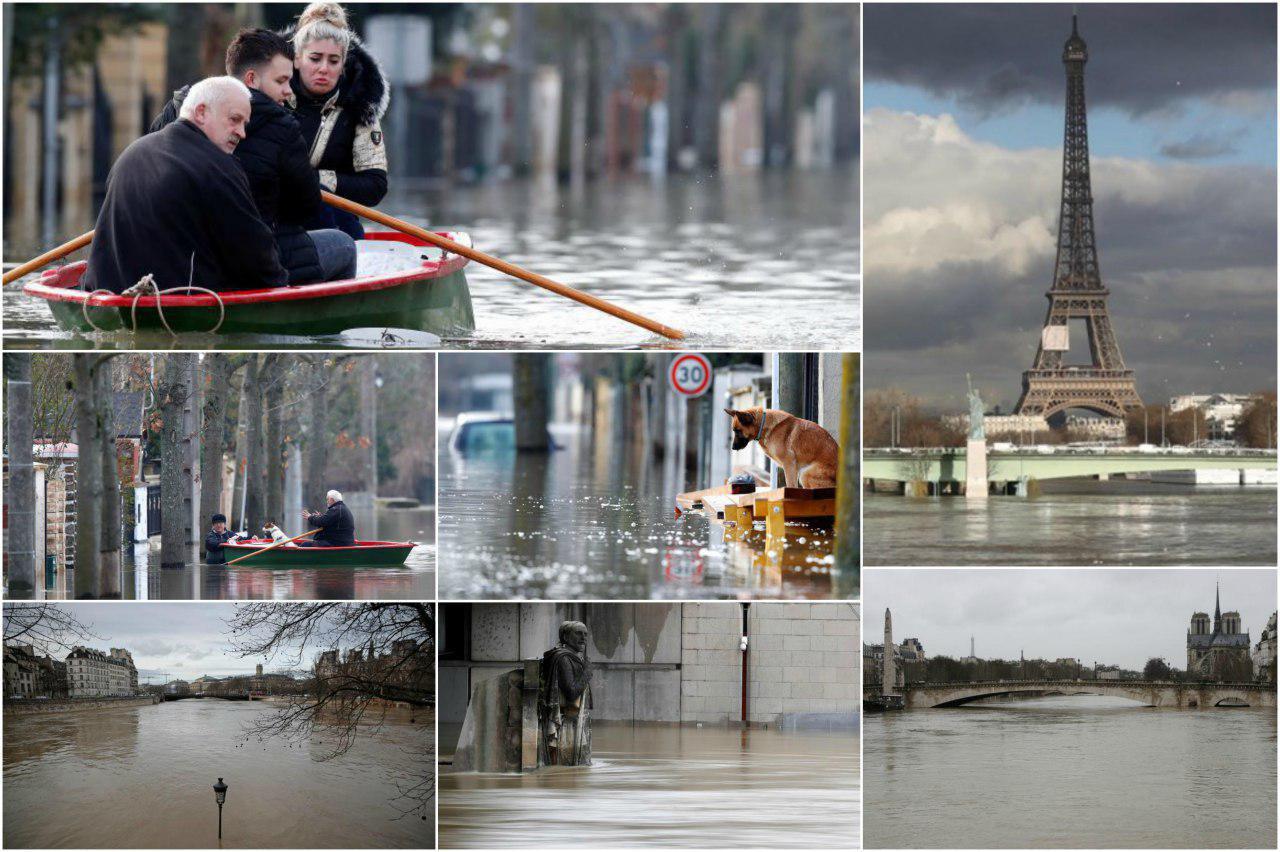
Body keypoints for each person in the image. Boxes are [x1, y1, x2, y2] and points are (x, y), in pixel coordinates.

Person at [151, 29, 357, 284]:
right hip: (253, 257)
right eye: (281, 81)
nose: (289, 92)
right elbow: (308, 207)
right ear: (251, 79)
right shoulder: (281, 125)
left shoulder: (181, 107)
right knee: (345, 245)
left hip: (177, 255)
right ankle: (321, 320)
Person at [82, 77, 287, 295]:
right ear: (200, 113)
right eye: (235, 120)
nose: (242, 133)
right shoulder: (219, 167)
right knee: (328, 242)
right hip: (177, 300)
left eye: (244, 124)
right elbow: (258, 260)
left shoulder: (131, 153)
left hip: (106, 293)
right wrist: (283, 286)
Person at [285, 2, 389, 240]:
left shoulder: (361, 107)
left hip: (336, 225)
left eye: (333, 61)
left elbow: (375, 186)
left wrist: (320, 181)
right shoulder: (272, 96)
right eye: (315, 58)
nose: (323, 69)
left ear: (343, 65)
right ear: (297, 59)